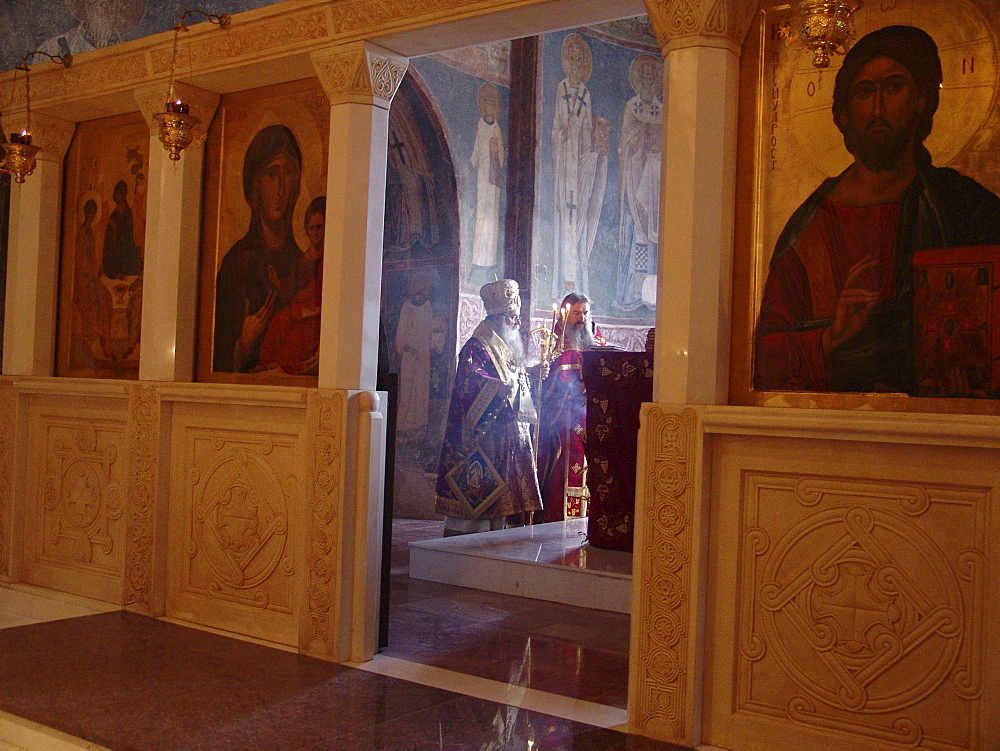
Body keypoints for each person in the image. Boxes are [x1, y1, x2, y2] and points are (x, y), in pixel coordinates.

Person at [754, 25, 1000, 394]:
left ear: (922, 100)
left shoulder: (965, 207)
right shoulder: (810, 227)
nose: (878, 107)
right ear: (843, 114)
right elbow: (763, 358)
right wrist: (831, 336)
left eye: (893, 87)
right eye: (864, 91)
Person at [434, 279, 543, 535]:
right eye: (514, 317)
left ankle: (497, 541)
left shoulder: (505, 347)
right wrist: (499, 387)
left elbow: (515, 378)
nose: (518, 323)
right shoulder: (477, 346)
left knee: (500, 504)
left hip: (505, 437)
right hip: (484, 438)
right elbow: (470, 381)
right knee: (479, 500)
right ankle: (466, 548)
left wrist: (533, 374)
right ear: (500, 317)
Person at [214, 125, 303, 373]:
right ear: (253, 190)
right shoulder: (237, 264)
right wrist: (242, 344)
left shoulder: (304, 264)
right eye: (272, 175)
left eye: (289, 173)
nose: (281, 188)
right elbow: (217, 360)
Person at [537, 292, 606, 522]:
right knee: (566, 460)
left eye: (585, 313)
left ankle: (588, 516)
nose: (582, 319)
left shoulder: (594, 336)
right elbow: (549, 379)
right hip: (563, 416)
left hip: (591, 416)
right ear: (566, 314)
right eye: (576, 313)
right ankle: (560, 515)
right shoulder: (555, 338)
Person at [551, 33, 608, 298]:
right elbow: (557, 128)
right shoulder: (562, 88)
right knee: (566, 214)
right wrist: (565, 135)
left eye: (579, 59)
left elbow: (587, 129)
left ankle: (577, 281)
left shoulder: (585, 92)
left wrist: (592, 150)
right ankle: (565, 282)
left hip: (581, 162)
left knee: (581, 215)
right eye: (571, 59)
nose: (575, 64)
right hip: (565, 164)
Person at [255, 196, 325, 376]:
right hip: (299, 309)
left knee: (298, 337)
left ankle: (277, 364)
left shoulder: (329, 261)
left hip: (316, 314)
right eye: (311, 228)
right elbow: (292, 293)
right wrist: (279, 284)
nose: (315, 233)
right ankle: (265, 363)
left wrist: (313, 311)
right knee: (278, 320)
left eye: (320, 227)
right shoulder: (301, 260)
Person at [616, 54, 663, 311]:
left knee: (656, 238)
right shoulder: (632, 107)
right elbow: (624, 144)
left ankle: (656, 293)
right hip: (636, 178)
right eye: (643, 76)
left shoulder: (661, 109)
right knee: (637, 235)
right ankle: (636, 289)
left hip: (656, 179)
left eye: (651, 77)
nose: (647, 80)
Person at [470, 83, 505, 277]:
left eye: (492, 104)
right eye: (487, 103)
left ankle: (489, 261)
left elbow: (501, 154)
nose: (489, 107)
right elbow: (476, 147)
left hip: (493, 178)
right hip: (482, 177)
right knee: (481, 215)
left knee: (491, 218)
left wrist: (495, 156)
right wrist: (470, 165)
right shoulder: (480, 124)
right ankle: (477, 260)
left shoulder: (497, 128)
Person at [102, 180, 141, 279]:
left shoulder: (127, 211)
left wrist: (116, 226)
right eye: (116, 195)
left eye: (119, 195)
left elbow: (127, 229)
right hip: (115, 242)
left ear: (123, 195)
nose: (117, 197)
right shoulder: (115, 210)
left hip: (124, 243)